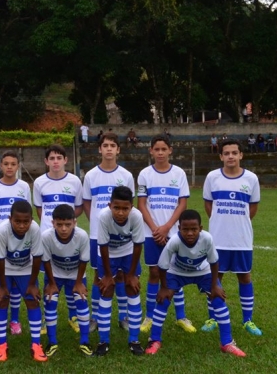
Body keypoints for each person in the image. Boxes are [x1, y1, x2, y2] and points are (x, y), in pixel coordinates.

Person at [145, 210, 246, 357]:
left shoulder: (207, 239)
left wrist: (214, 286)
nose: (190, 233)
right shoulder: (174, 241)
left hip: (203, 272)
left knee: (218, 299)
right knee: (163, 301)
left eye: (194, 229)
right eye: (185, 229)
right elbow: (162, 265)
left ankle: (227, 342)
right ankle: (154, 340)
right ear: (179, 229)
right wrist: (164, 288)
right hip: (177, 272)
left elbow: (214, 262)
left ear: (201, 228)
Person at [202, 139, 261, 336]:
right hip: (217, 240)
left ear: (241, 155)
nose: (230, 156)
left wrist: (237, 221)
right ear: (221, 156)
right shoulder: (212, 177)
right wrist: (221, 222)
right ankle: (213, 317)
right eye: (226, 153)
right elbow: (208, 206)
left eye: (234, 153)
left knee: (244, 276)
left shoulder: (251, 179)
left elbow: (252, 209)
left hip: (242, 239)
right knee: (215, 277)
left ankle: (248, 320)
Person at [137, 135, 194, 335]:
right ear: (151, 151)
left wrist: (168, 226)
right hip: (151, 232)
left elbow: (183, 204)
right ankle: (150, 317)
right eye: (156, 149)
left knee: (175, 273)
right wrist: (155, 228)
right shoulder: (144, 174)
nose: (160, 152)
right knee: (154, 273)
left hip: (173, 232)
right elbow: (141, 204)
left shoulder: (178, 173)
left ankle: (181, 317)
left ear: (170, 150)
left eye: (164, 149)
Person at [82, 132, 134, 333]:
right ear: (100, 149)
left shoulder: (126, 176)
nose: (109, 149)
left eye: (113, 145)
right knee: (98, 276)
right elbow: (87, 203)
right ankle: (95, 317)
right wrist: (97, 222)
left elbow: (130, 204)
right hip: (97, 235)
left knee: (120, 275)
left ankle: (123, 316)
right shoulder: (91, 175)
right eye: (106, 145)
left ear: (118, 149)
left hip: (121, 235)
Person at [33, 144, 83, 333]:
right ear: (46, 161)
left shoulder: (75, 181)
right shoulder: (39, 182)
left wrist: (67, 224)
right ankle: (47, 319)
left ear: (65, 160)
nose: (55, 161)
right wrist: (50, 224)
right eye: (52, 158)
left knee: (71, 272)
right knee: (49, 274)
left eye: (59, 158)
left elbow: (77, 207)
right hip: (48, 236)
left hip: (70, 235)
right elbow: (39, 209)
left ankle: (73, 316)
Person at [0, 201, 47, 362]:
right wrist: (2, 286)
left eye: (26, 221)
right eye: (17, 221)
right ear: (10, 219)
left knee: (32, 301)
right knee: (1, 301)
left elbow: (37, 257)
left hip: (25, 268)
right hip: (3, 268)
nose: (22, 225)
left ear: (31, 220)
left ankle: (36, 344)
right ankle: (1, 344)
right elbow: (0, 259)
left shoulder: (35, 229)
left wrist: (32, 284)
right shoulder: (2, 231)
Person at [0, 150, 32, 335]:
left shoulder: (24, 187)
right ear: (1, 166)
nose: (10, 167)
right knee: (2, 284)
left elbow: (27, 216)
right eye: (6, 164)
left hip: (20, 243)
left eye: (13, 164)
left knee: (16, 284)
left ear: (18, 166)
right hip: (0, 244)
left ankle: (15, 321)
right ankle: (0, 322)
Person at [95, 185, 145, 356]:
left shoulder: (137, 216)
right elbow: (102, 245)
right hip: (107, 254)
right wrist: (108, 275)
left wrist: (131, 274)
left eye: (125, 208)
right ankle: (103, 341)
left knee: (132, 288)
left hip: (128, 252)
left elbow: (138, 245)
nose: (121, 212)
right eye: (117, 208)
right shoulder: (103, 217)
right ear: (110, 206)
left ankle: (134, 339)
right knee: (106, 290)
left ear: (132, 207)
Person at [41, 204, 93, 358]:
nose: (63, 229)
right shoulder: (46, 236)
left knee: (82, 302)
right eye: (59, 224)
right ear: (53, 223)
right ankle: (52, 342)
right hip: (54, 275)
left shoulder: (82, 236)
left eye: (68, 225)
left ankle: (85, 341)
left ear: (74, 223)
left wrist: (78, 283)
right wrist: (51, 283)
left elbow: (84, 261)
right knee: (50, 302)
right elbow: (45, 260)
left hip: (75, 275)